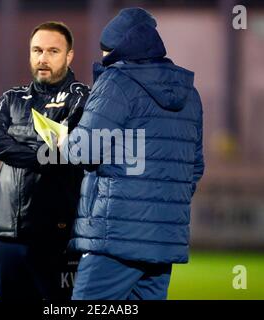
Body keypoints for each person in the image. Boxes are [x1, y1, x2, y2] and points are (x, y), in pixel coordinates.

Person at [58, 8, 205, 300]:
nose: (102, 58)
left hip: (115, 237)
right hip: (163, 242)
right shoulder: (190, 94)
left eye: (105, 52)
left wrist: (64, 138)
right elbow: (195, 168)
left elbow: (83, 152)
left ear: (118, 50)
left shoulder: (116, 82)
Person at [0, 21, 89, 300]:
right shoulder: (11, 98)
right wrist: (40, 155)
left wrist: (16, 144)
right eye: (37, 50)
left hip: (57, 237)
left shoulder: (82, 98)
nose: (43, 58)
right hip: (8, 234)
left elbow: (68, 152)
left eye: (53, 51)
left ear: (69, 56)